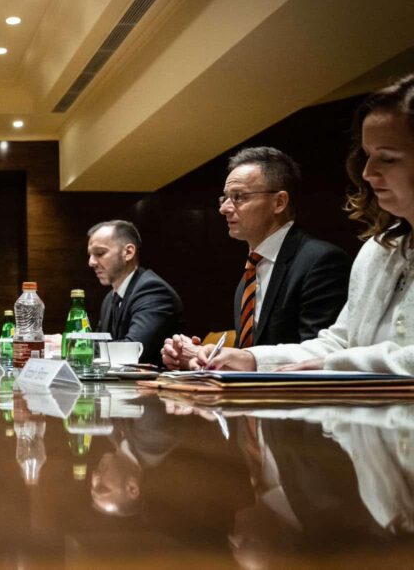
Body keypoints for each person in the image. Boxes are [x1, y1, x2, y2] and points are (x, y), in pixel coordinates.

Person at [190, 75, 414, 373]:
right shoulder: (377, 249)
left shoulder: (319, 259)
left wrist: (336, 364)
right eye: (367, 156)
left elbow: (338, 358)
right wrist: (252, 358)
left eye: (387, 158)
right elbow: (339, 343)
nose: (367, 173)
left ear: (279, 202)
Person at [162, 147, 350, 369]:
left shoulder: (321, 261)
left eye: (238, 197)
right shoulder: (251, 270)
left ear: (279, 202)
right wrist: (199, 358)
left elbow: (319, 358)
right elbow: (248, 357)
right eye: (225, 198)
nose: (224, 208)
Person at [87, 220, 182, 366]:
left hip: (156, 380)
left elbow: (132, 351)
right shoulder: (109, 298)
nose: (91, 262)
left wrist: (73, 347)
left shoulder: (152, 290)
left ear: (128, 252)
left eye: (100, 253)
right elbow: (100, 343)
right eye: (90, 255)